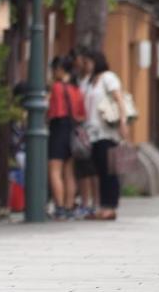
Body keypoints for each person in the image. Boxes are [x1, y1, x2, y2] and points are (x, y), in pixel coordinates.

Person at [82, 50, 130, 221]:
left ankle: (110, 206)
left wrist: (123, 121)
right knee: (99, 170)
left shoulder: (109, 78)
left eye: (88, 62)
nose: (85, 66)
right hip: (91, 132)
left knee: (109, 168)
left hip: (108, 131)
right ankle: (102, 205)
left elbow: (119, 99)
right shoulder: (87, 82)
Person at [45, 56, 85, 220]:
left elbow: (50, 111)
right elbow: (82, 114)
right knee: (69, 172)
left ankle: (59, 207)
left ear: (60, 69)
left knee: (55, 170)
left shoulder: (56, 87)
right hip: (73, 129)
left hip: (58, 128)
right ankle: (69, 207)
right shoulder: (76, 89)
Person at [72, 49, 97, 218]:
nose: (82, 65)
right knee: (81, 169)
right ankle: (84, 202)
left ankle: (94, 203)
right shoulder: (79, 81)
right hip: (80, 129)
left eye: (85, 62)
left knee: (92, 170)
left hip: (93, 130)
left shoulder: (96, 81)